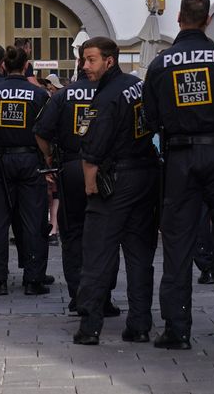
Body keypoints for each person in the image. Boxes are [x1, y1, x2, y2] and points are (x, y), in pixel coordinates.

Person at [142, 0, 214, 350]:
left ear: (178, 18)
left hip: (178, 160)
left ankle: (177, 330)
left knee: (177, 244)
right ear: (207, 19)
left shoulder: (160, 64)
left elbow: (149, 120)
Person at [71, 37, 159, 345]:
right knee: (139, 255)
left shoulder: (106, 98)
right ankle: (140, 324)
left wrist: (90, 185)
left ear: (110, 60)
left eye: (91, 60)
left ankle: (89, 326)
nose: (85, 66)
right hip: (145, 176)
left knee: (97, 254)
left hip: (116, 180)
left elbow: (92, 149)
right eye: (84, 60)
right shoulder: (135, 84)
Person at [35, 56, 123, 316]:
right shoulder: (113, 91)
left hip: (71, 167)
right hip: (106, 169)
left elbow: (41, 131)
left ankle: (78, 295)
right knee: (106, 234)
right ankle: (103, 295)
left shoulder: (64, 95)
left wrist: (50, 157)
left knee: (72, 233)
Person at [0, 45, 51, 296]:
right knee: (33, 221)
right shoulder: (39, 94)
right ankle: (34, 279)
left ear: (3, 66)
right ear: (26, 66)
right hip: (31, 160)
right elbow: (46, 130)